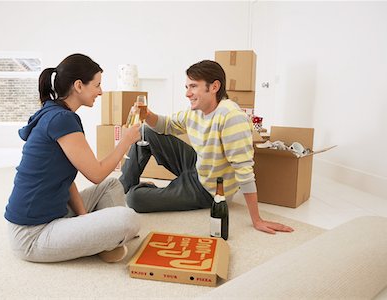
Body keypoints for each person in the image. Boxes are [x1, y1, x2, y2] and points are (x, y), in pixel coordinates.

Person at [119, 60, 294, 234]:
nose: (188, 93)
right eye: (186, 87)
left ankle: (145, 191)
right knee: (145, 131)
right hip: (198, 163)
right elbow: (166, 125)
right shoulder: (194, 111)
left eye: (193, 86)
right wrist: (147, 114)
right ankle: (119, 190)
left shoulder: (231, 117)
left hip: (208, 188)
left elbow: (244, 171)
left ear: (214, 87)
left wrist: (257, 220)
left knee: (135, 200)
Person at [4, 53, 142, 263]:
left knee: (112, 185)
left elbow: (65, 179)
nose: (101, 91)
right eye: (97, 85)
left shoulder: (55, 113)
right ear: (79, 85)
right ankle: (105, 240)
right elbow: (96, 174)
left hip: (54, 212)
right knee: (128, 218)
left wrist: (84, 217)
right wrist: (126, 140)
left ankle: (101, 239)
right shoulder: (62, 120)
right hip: (32, 235)